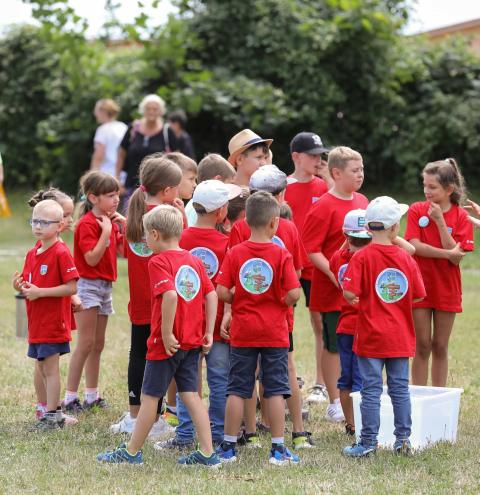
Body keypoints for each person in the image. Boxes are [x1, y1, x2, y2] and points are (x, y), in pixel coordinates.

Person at [97, 205, 221, 467]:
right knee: (192, 395)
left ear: (154, 234)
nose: (144, 239)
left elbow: (171, 295)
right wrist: (208, 331)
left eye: (145, 235)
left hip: (166, 344)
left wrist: (165, 334)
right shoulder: (194, 260)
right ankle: (209, 453)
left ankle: (131, 453)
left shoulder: (158, 261)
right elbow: (211, 294)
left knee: (150, 397)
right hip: (192, 340)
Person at [229, 166, 313, 451]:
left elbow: (232, 279)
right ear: (282, 196)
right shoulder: (288, 228)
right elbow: (297, 276)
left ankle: (250, 434)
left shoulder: (240, 228)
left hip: (244, 319)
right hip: (278, 320)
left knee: (245, 378)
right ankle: (297, 434)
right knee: (285, 372)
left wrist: (230, 311)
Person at [215, 191, 302, 466]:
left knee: (237, 388)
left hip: (243, 330)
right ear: (275, 222)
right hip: (274, 331)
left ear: (246, 221)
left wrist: (237, 299)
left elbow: (221, 290)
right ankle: (277, 449)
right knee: (275, 389)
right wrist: (280, 301)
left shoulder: (236, 253)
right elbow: (295, 293)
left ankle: (228, 448)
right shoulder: (280, 253)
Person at [155, 179, 241, 450]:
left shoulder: (180, 239)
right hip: (215, 326)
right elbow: (228, 286)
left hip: (185, 325)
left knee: (186, 385)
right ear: (221, 212)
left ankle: (185, 434)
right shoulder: (227, 243)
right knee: (219, 380)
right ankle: (216, 432)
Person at [342, 196, 426, 457]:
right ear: (394, 228)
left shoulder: (361, 258)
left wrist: (353, 296)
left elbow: (349, 292)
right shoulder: (406, 258)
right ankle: (403, 441)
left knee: (371, 390)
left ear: (368, 227)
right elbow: (419, 295)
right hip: (399, 336)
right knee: (400, 389)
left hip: (370, 337)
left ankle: (367, 443)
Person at [109, 155, 183, 436]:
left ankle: (134, 416)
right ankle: (154, 420)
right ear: (166, 190)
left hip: (140, 303)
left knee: (138, 354)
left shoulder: (134, 217)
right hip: (163, 301)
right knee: (158, 359)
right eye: (176, 187)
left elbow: (123, 250)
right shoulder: (168, 219)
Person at [302, 146, 368, 421]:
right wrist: (333, 273)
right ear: (336, 173)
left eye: (362, 169)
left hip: (361, 293)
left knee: (359, 342)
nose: (360, 175)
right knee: (333, 344)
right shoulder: (323, 207)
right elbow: (311, 249)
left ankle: (359, 394)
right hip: (332, 292)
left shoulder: (364, 201)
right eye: (355, 171)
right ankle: (334, 401)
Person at [405, 159, 474, 387]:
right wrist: (447, 255)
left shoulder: (462, 217)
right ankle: (417, 395)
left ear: (449, 189)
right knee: (422, 345)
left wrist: (440, 222)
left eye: (432, 187)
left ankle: (438, 397)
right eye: (424, 185)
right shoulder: (416, 210)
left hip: (447, 288)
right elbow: (414, 246)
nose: (426, 191)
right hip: (420, 287)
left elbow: (457, 252)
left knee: (440, 346)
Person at [13, 200, 79, 430]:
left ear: (60, 225)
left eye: (44, 222)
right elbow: (29, 285)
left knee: (50, 369)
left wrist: (41, 292)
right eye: (35, 221)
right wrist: (19, 285)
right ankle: (50, 412)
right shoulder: (33, 252)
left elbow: (72, 288)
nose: (38, 226)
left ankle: (53, 416)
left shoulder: (61, 252)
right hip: (37, 322)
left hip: (53, 322)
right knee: (41, 367)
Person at [63, 171, 125, 413]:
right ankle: (69, 397)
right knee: (86, 343)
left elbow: (123, 252)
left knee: (98, 343)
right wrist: (107, 233)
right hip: (87, 285)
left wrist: (122, 226)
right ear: (93, 197)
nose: (116, 200)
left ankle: (91, 396)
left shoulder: (109, 220)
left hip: (105, 286)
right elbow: (90, 258)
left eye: (117, 194)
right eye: (110, 195)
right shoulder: (88, 225)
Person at [284, 132, 330, 404]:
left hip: (314, 263)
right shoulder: (283, 186)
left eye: (320, 155)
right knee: (282, 323)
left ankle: (321, 384)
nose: (318, 160)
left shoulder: (323, 187)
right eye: (312, 155)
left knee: (320, 323)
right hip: (287, 263)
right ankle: (285, 378)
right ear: (296, 157)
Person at [116, 94, 182, 198]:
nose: (151, 111)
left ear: (160, 111)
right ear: (143, 110)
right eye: (148, 109)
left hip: (160, 189)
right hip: (131, 187)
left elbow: (177, 159)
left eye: (155, 109)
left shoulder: (167, 131)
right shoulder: (133, 128)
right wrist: (117, 180)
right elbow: (121, 155)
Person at [184, 153, 236, 226]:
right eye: (231, 183)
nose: (232, 188)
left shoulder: (197, 204)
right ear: (218, 180)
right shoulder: (203, 209)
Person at [90, 99, 127, 180]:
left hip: (106, 175)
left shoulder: (103, 129)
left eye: (96, 110)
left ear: (102, 111)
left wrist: (92, 176)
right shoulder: (123, 127)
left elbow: (99, 156)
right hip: (123, 175)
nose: (95, 114)